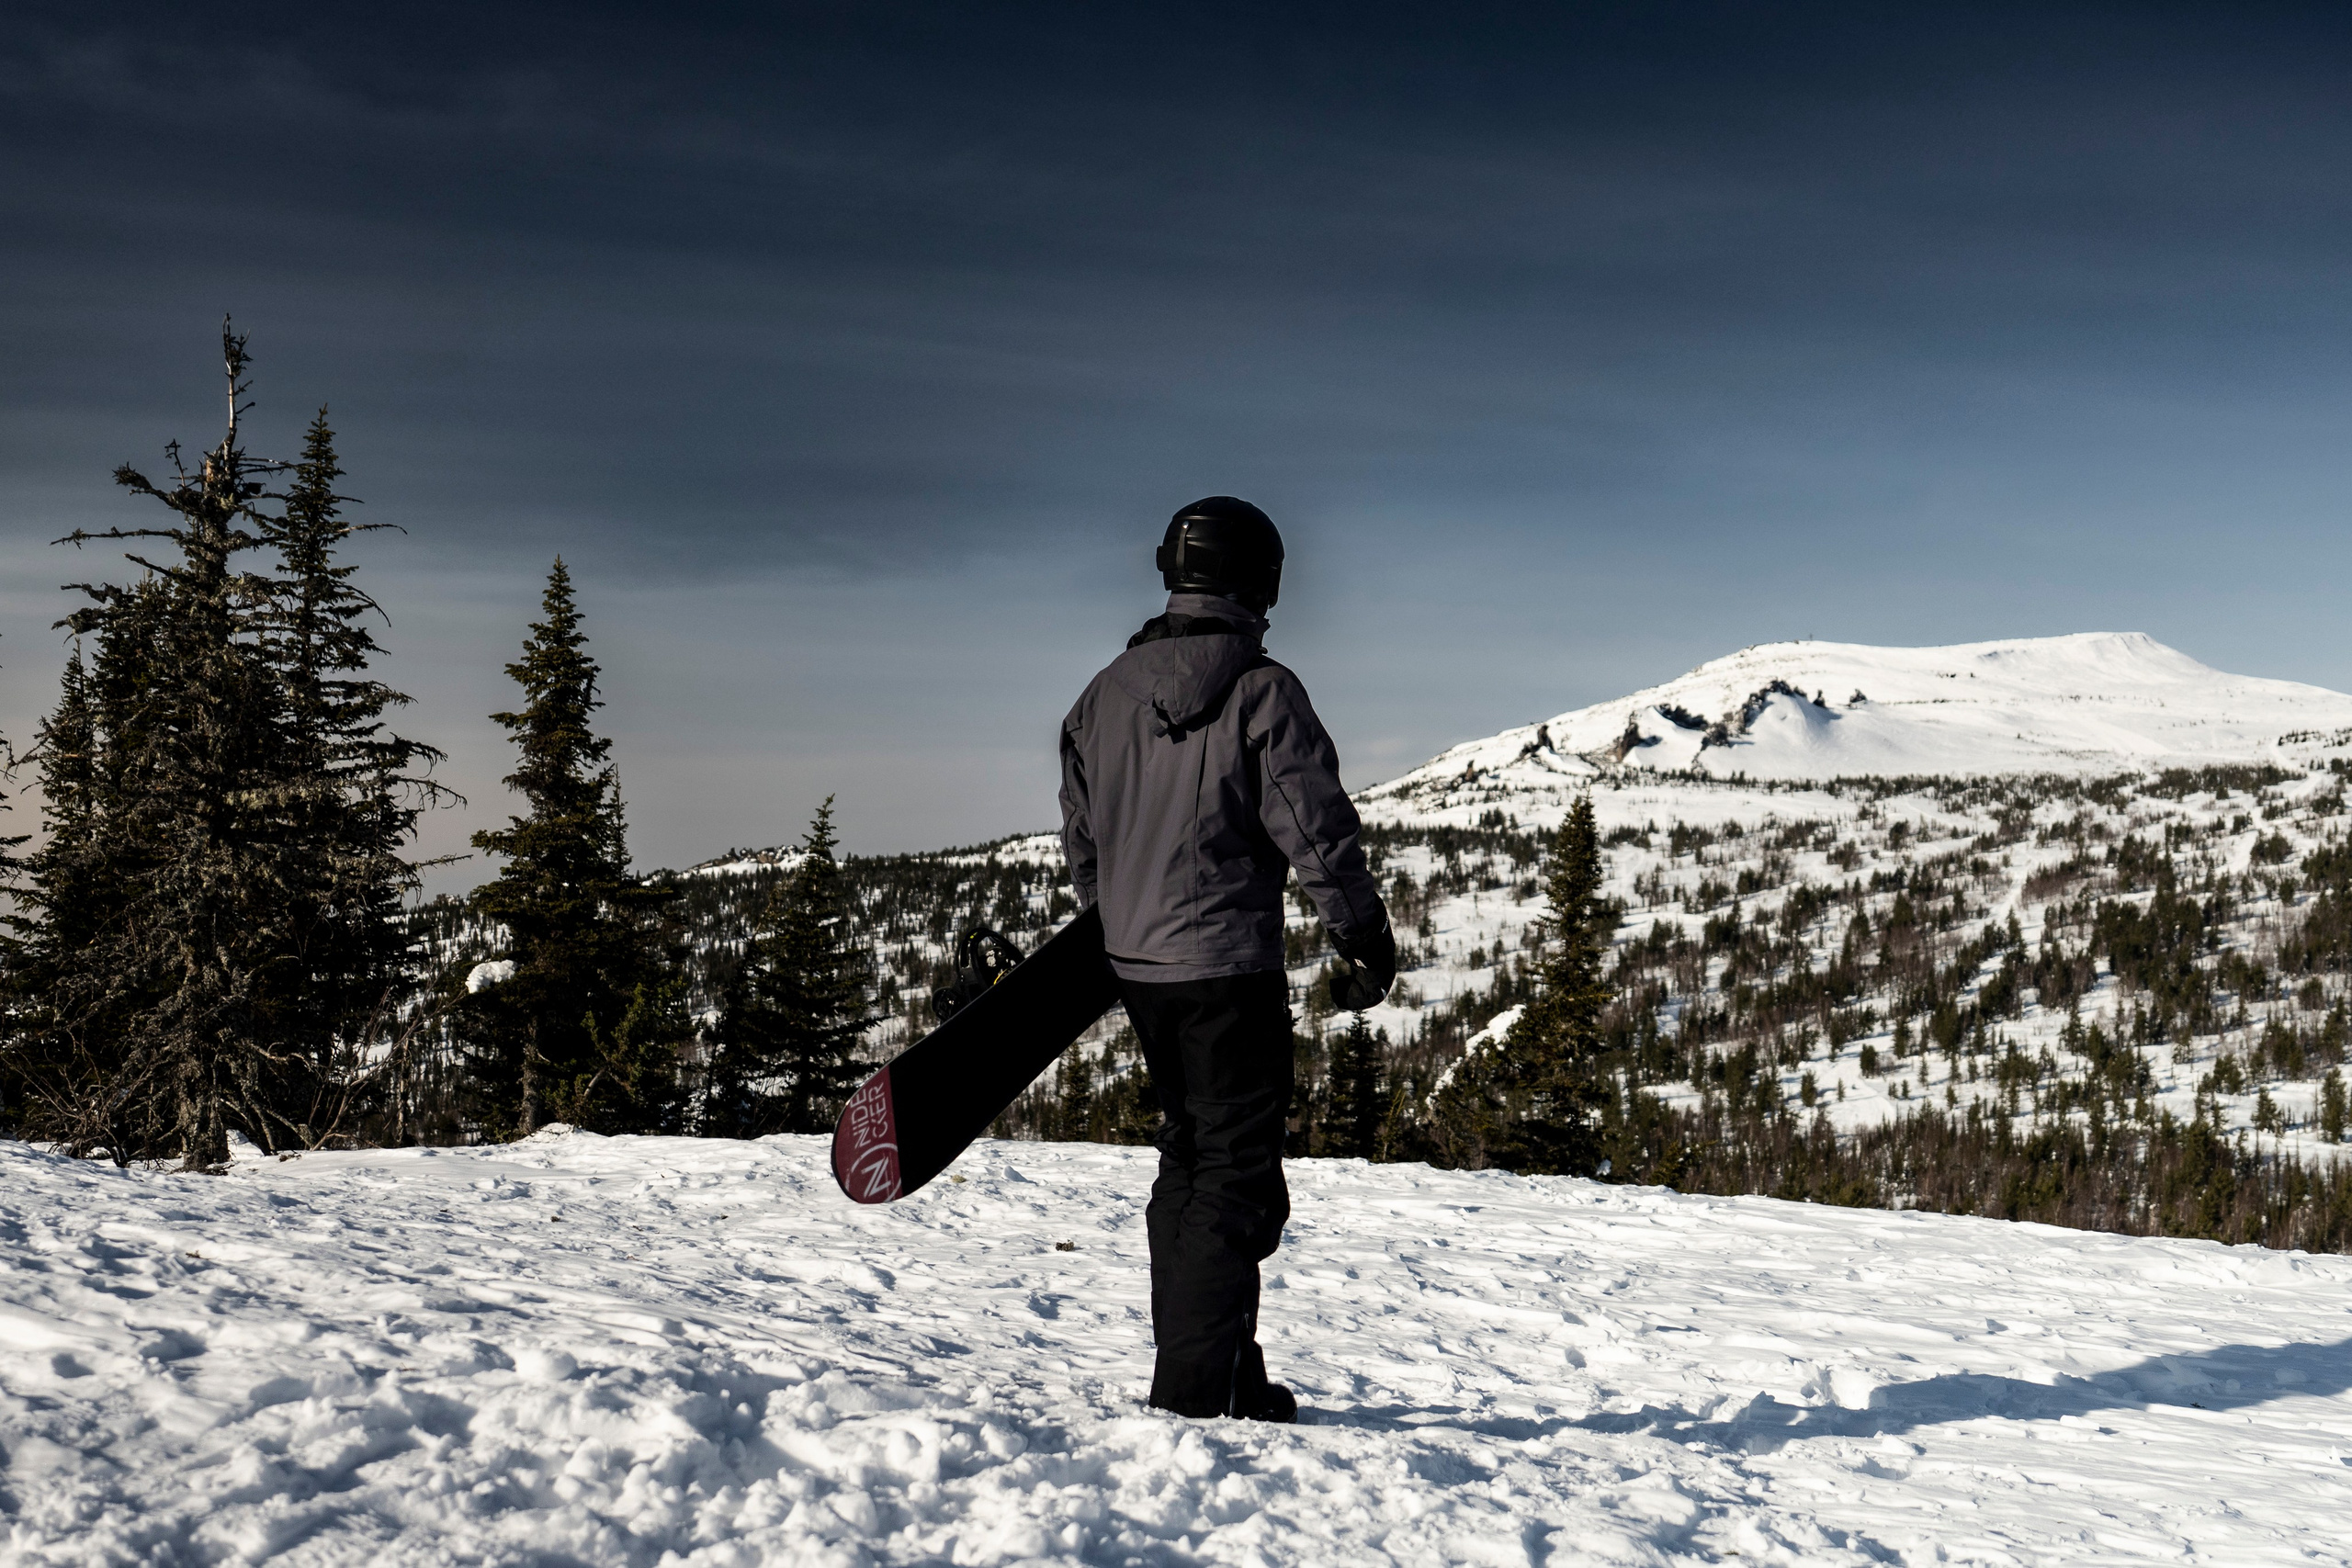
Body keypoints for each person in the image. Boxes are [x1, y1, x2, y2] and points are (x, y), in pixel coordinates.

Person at [1058, 495, 1396, 1423]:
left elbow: (1083, 839)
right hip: (1227, 970)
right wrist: (1361, 935)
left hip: (1138, 969)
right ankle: (1197, 1394)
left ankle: (1227, 1372)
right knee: (1237, 1178)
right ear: (1261, 581)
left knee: (1192, 1159)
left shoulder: (1101, 694)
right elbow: (1314, 828)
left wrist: (1116, 926)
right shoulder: (1262, 689)